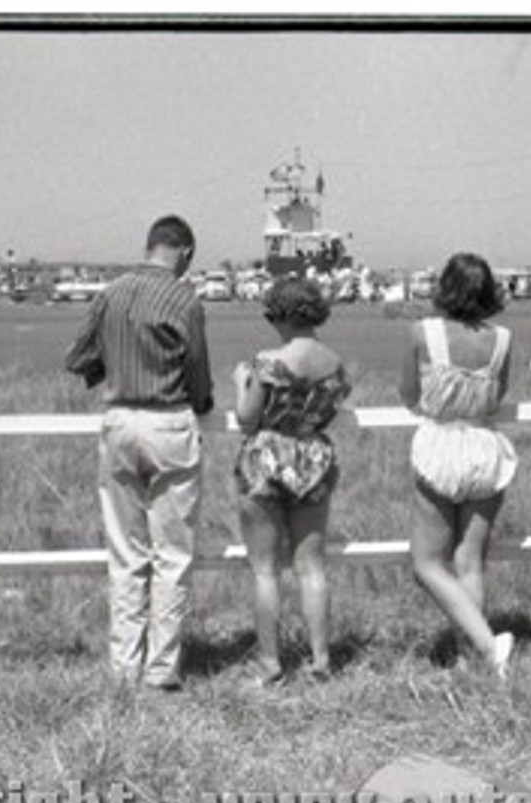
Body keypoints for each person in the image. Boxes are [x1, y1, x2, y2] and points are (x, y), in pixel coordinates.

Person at [64, 215, 213, 690]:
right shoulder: (184, 297)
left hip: (119, 421)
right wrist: (201, 401)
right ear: (185, 253)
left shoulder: (110, 293)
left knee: (126, 553)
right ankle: (162, 667)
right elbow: (198, 373)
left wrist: (114, 364)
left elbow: (77, 358)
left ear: (149, 245)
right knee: (172, 554)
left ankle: (123, 667)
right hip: (169, 422)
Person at [399, 253, 517, 678]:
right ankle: (472, 659)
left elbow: (408, 392)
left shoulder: (423, 332)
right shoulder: (502, 338)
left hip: (440, 444)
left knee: (427, 563)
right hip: (485, 446)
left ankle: (487, 647)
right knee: (470, 561)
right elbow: (498, 393)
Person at [233, 277, 351, 686]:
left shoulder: (269, 362)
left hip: (267, 460)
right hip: (314, 459)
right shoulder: (334, 363)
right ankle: (321, 659)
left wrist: (239, 383)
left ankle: (270, 662)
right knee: (311, 568)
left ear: (281, 316)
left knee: (265, 570)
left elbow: (247, 418)